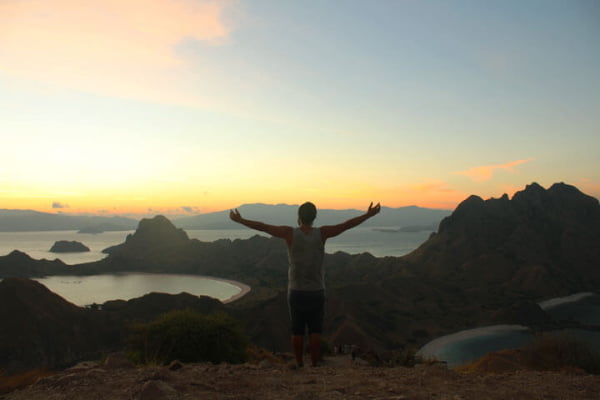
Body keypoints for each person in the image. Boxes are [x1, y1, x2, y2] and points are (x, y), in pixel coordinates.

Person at [229, 201, 381, 368]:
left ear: (299, 217)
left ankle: (300, 363)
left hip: (296, 290)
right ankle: (315, 364)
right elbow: (346, 225)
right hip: (317, 291)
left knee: (297, 330)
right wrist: (368, 215)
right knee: (315, 330)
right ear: (314, 217)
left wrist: (241, 220)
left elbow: (263, 227)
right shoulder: (322, 233)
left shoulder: (289, 233)